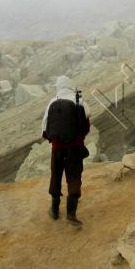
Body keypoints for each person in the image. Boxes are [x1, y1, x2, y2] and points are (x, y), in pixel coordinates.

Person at [42, 75, 91, 227]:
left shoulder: (52, 102)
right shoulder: (80, 101)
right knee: (74, 177)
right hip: (75, 147)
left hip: (57, 148)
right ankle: (71, 213)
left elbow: (45, 128)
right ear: (71, 85)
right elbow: (86, 124)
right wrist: (78, 138)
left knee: (56, 175)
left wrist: (54, 140)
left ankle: (55, 209)